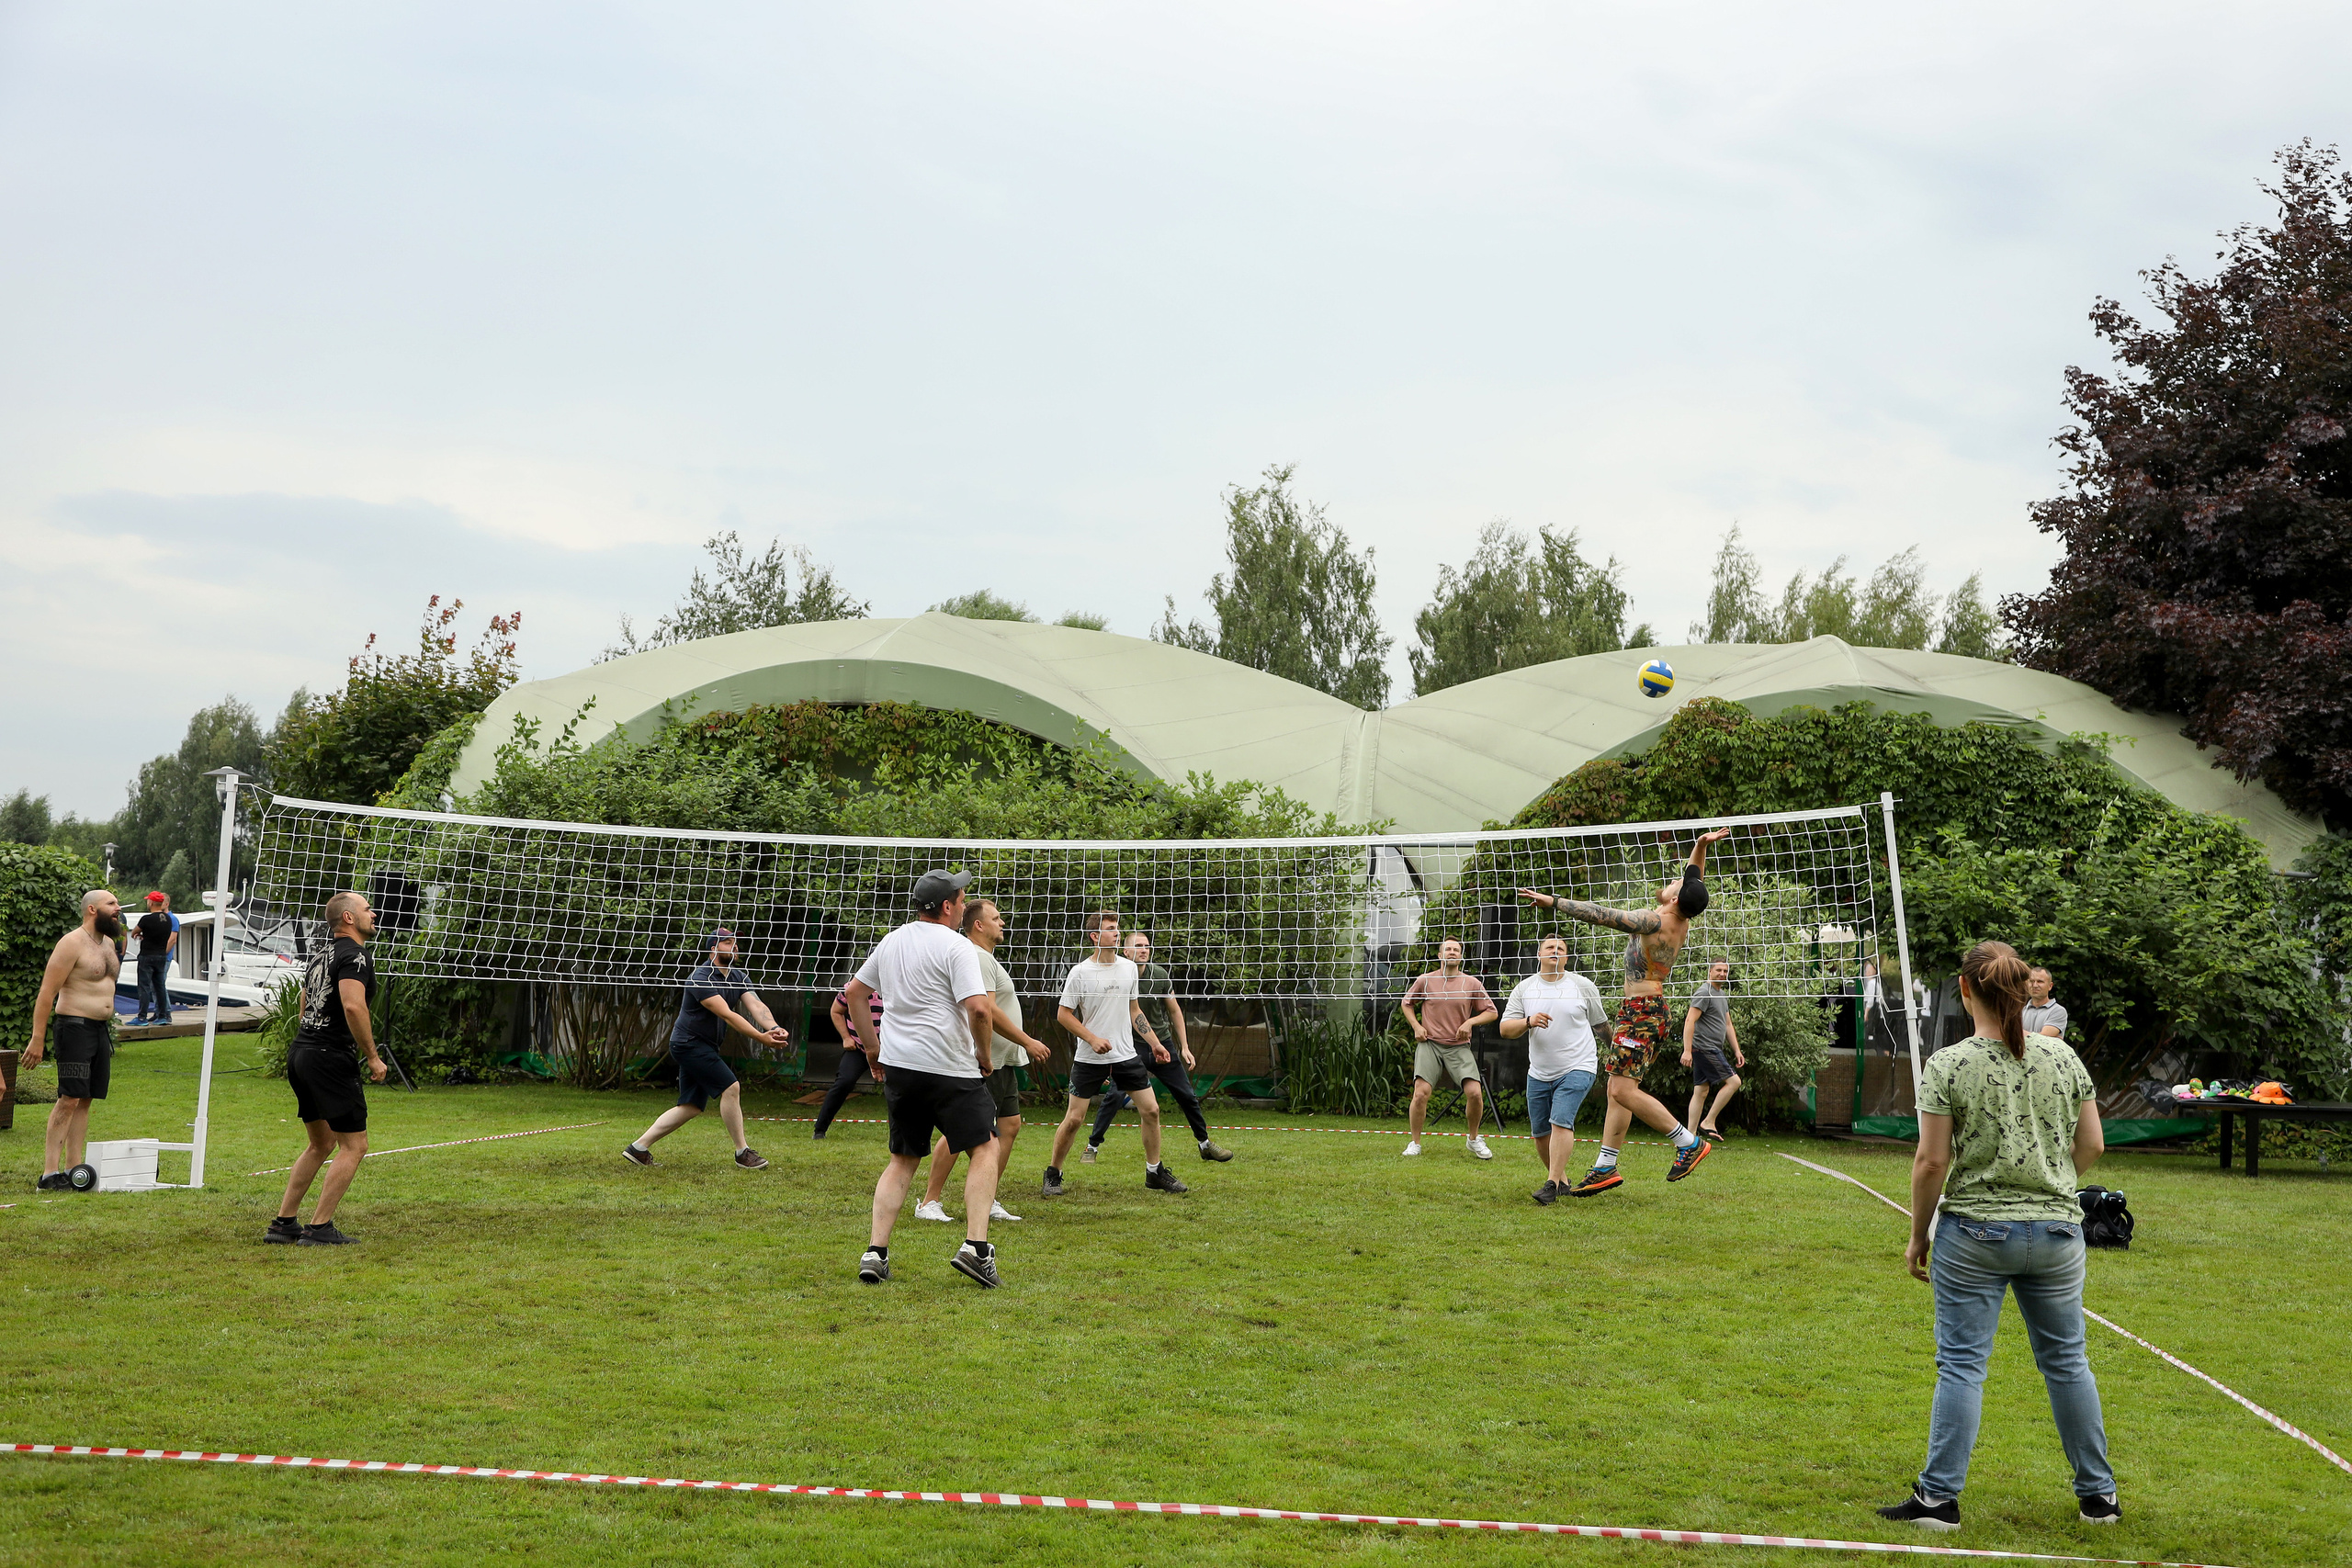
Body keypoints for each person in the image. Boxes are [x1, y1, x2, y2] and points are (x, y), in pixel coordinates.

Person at [1878, 940, 2117, 1531]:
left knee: (1961, 1365)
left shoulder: (1950, 1063)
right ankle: (2099, 1498)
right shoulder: (2065, 1060)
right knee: (2068, 1364)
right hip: (2060, 1233)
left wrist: (1917, 1237)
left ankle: (1938, 1501)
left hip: (1975, 1235)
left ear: (1965, 991)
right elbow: (2092, 1147)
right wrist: (2056, 1184)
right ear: (2020, 992)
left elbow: (1931, 1163)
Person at [1517, 826, 1732, 1195]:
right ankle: (1605, 1165)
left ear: (1677, 898)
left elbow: (1601, 914)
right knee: (1621, 1087)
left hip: (1643, 1011)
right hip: (1644, 1009)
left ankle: (1687, 1142)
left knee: (1620, 1090)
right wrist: (1700, 846)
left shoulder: (1655, 920)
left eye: (1678, 883)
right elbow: (1694, 878)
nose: (1675, 880)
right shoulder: (1683, 915)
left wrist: (1553, 902)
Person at [845, 869, 1006, 1288]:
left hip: (901, 1066)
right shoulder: (957, 946)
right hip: (950, 1067)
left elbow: (854, 994)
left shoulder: (893, 938)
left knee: (902, 1159)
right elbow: (980, 1010)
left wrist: (873, 1049)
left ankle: (875, 1252)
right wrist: (983, 1056)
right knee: (986, 1148)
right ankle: (977, 1248)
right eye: (962, 897)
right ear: (949, 907)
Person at [914, 896, 1052, 1224]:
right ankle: (929, 1202)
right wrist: (1028, 1040)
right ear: (978, 925)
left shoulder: (987, 957)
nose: (1002, 923)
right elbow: (986, 1009)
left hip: (1001, 1061)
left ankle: (986, 1196)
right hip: (983, 1060)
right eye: (996, 918)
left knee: (1009, 1126)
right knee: (961, 1130)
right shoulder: (975, 956)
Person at [265, 892, 390, 1245]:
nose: (374, 913)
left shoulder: (321, 955)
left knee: (321, 1144)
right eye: (367, 909)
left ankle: (283, 1223)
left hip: (302, 1051)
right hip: (329, 1056)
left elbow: (306, 1001)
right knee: (355, 1145)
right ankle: (319, 1228)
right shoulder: (356, 957)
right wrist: (372, 1055)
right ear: (349, 918)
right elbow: (353, 1006)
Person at [1040, 911, 1187, 1198]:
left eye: (1117, 928)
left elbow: (1135, 1011)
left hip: (1125, 1055)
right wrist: (1092, 1038)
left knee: (1152, 1110)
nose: (1116, 933)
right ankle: (1053, 1173)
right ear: (1095, 937)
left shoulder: (1128, 969)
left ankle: (1154, 1172)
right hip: (1090, 1057)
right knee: (1074, 1119)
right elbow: (1063, 1015)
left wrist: (1155, 1043)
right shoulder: (1080, 973)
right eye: (1110, 929)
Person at [622, 928, 789, 1170]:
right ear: (713, 949)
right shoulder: (700, 977)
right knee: (731, 1087)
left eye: (735, 942)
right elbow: (728, 1015)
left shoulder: (739, 976)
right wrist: (761, 1038)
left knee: (690, 1106)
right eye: (727, 942)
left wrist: (773, 1027)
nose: (734, 946)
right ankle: (743, 1152)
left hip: (702, 1045)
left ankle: (638, 1148)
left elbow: (756, 1004)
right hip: (689, 1044)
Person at [1080, 931, 1234, 1166]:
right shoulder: (1117, 975)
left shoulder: (1159, 974)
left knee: (1187, 1095)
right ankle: (1091, 1147)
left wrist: (1184, 1047)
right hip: (1130, 1048)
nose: (1144, 950)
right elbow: (1102, 1016)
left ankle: (1205, 1145)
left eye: (1147, 946)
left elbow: (1174, 1011)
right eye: (1138, 946)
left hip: (1161, 1043)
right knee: (1114, 1096)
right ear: (1126, 951)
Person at [21, 891, 124, 1190]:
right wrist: (37, 1039)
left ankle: (73, 1169)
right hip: (74, 1028)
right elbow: (46, 993)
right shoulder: (71, 943)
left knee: (86, 1098)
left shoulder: (108, 944)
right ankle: (49, 1174)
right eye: (112, 904)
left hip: (99, 1029)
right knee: (69, 1098)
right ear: (92, 909)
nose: (118, 908)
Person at [1498, 936, 1609, 1204]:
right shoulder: (1525, 989)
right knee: (1540, 1134)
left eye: (1561, 949)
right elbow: (1504, 1029)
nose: (1556, 951)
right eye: (1550, 948)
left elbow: (1601, 1025)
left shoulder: (1582, 986)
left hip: (1579, 1065)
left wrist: (1617, 1055)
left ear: (1567, 958)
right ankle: (1562, 1181)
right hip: (1539, 1072)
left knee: (1560, 1119)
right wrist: (1529, 1021)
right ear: (1539, 955)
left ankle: (1550, 1184)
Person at [1397, 939, 1498, 1159]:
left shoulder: (1471, 983)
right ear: (1440, 955)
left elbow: (1492, 1012)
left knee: (1474, 1093)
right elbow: (1407, 1003)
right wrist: (1416, 1026)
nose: (1452, 953)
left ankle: (1473, 1140)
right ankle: (1415, 1142)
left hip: (1459, 1046)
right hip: (1430, 1043)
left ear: (1461, 957)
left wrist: (1470, 1022)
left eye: (1456, 950)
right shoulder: (1425, 980)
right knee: (1421, 1093)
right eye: (1448, 950)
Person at [1681, 961, 1745, 1142]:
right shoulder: (1704, 992)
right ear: (1710, 971)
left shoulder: (1721, 994)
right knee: (1734, 1082)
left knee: (1701, 1090)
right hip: (1705, 1047)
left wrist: (1737, 1051)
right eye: (1718, 970)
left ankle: (1689, 1136)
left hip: (1713, 1048)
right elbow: (1689, 1021)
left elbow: (1728, 1024)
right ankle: (1708, 1121)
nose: (1722, 973)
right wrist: (1687, 1050)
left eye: (1725, 971)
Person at [812, 982, 885, 1138]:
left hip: (888, 1050)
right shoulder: (852, 988)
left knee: (901, 1087)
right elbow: (836, 1011)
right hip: (859, 1048)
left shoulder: (894, 985)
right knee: (844, 1082)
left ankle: (905, 1135)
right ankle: (820, 1130)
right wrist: (846, 1037)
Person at [130, 891, 179, 1025]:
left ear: (151, 902)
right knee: (160, 986)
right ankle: (162, 1015)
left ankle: (142, 1017)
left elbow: (134, 932)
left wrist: (141, 935)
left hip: (147, 956)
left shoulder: (146, 919)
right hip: (162, 956)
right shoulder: (169, 919)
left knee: (144, 987)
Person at [2023, 968, 2068, 1040]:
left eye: (2040, 981)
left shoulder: (2058, 1011)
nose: (2035, 985)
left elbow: (2042, 1040)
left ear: (2050, 986)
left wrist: (2018, 1034)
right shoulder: (2020, 1011)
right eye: (2031, 981)